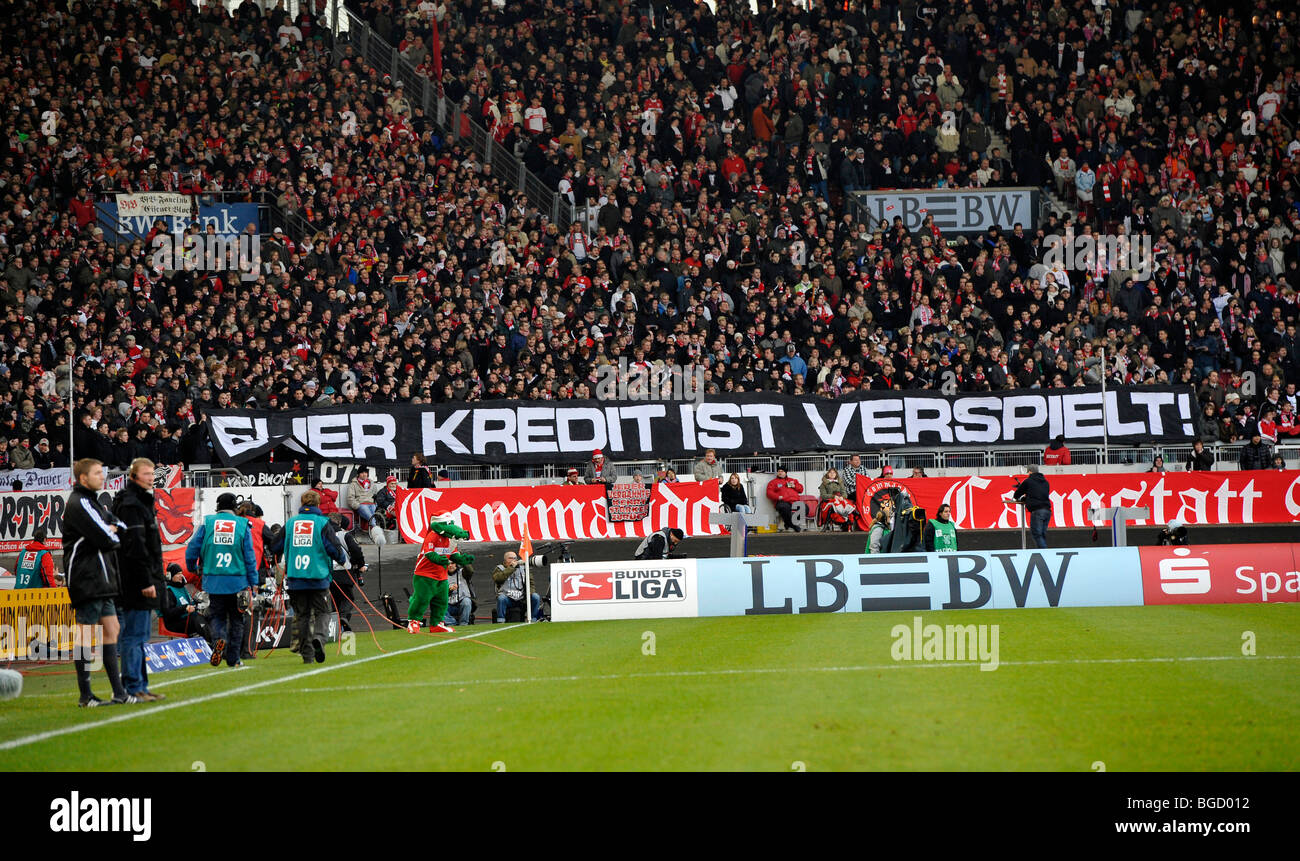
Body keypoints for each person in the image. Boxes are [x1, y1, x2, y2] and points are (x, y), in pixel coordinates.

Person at [63, 458, 135, 706]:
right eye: (96, 473)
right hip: (86, 578)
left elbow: (121, 527)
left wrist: (114, 529)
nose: (101, 477)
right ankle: (85, 695)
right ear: (83, 478)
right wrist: (112, 531)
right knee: (85, 634)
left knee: (111, 629)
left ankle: (119, 692)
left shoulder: (93, 502)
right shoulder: (79, 503)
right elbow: (107, 538)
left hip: (103, 579)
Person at [111, 457, 167, 702]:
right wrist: (146, 581)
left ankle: (141, 686)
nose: (150, 477)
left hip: (142, 577)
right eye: (146, 473)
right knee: (134, 635)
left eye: (152, 473)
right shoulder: (132, 505)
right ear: (134, 476)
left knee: (141, 636)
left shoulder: (140, 501)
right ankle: (133, 687)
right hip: (135, 581)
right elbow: (135, 547)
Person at [185, 492, 258, 669]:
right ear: (235, 507)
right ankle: (233, 659)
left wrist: (192, 568)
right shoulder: (242, 524)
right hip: (237, 581)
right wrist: (253, 582)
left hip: (214, 580)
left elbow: (191, 549)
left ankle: (220, 639)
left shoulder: (208, 522)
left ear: (218, 506)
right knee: (237, 620)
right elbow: (249, 556)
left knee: (216, 616)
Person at [282, 491, 348, 664]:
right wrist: (341, 560)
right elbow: (333, 548)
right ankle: (318, 637)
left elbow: (275, 545)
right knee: (323, 612)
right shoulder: (322, 523)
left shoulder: (290, 523)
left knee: (302, 615)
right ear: (318, 505)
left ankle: (307, 655)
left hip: (296, 578)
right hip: (318, 577)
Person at [409, 514, 474, 633]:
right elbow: (429, 553)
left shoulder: (450, 539)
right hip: (425, 574)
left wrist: (462, 560)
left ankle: (437, 623)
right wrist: (439, 559)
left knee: (442, 600)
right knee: (422, 598)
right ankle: (413, 621)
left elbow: (453, 554)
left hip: (441, 575)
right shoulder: (432, 535)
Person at [327, 514, 367, 633]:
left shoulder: (321, 535)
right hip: (344, 571)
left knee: (334, 599)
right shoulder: (344, 535)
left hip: (327, 572)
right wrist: (360, 565)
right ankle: (343, 618)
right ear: (339, 523)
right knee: (347, 597)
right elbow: (356, 551)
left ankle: (335, 628)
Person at [160, 563, 214, 645]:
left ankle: (219, 639)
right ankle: (213, 641)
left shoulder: (182, 588)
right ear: (170, 576)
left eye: (181, 573)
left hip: (187, 619)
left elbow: (190, 603)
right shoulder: (168, 591)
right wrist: (184, 608)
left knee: (209, 615)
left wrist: (197, 603)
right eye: (178, 574)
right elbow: (168, 614)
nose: (181, 576)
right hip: (174, 623)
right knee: (196, 618)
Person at [492, 550, 543, 622]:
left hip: (522, 599)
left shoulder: (523, 568)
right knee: (501, 598)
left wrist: (530, 594)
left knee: (535, 597)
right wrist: (511, 568)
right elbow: (498, 579)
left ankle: (533, 619)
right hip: (508, 598)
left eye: (515, 558)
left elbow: (531, 583)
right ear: (505, 560)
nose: (513, 560)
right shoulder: (499, 568)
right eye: (510, 558)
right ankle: (501, 621)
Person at [1013, 465, 1053, 549]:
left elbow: (1017, 494)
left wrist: (1023, 497)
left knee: (1037, 534)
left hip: (1037, 510)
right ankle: (1044, 551)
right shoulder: (1046, 482)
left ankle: (1044, 553)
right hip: (1047, 510)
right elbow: (1039, 494)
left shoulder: (1028, 481)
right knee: (1042, 534)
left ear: (1030, 471)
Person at [766, 466, 803, 532]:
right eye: (779, 471)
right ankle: (793, 525)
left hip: (794, 501)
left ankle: (788, 523)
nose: (780, 473)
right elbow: (769, 493)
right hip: (782, 501)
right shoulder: (773, 482)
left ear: (785, 473)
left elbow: (801, 489)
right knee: (784, 508)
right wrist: (778, 497)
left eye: (782, 471)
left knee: (805, 507)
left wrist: (794, 486)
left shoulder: (792, 480)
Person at [444, 559, 475, 627]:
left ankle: (463, 624)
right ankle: (451, 623)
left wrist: (460, 558)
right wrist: (449, 590)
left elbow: (470, 570)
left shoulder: (463, 572)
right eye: (448, 564)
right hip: (448, 606)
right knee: (437, 605)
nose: (450, 565)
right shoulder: (442, 576)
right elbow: (438, 594)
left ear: (456, 564)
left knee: (466, 601)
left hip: (461, 604)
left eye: (452, 563)